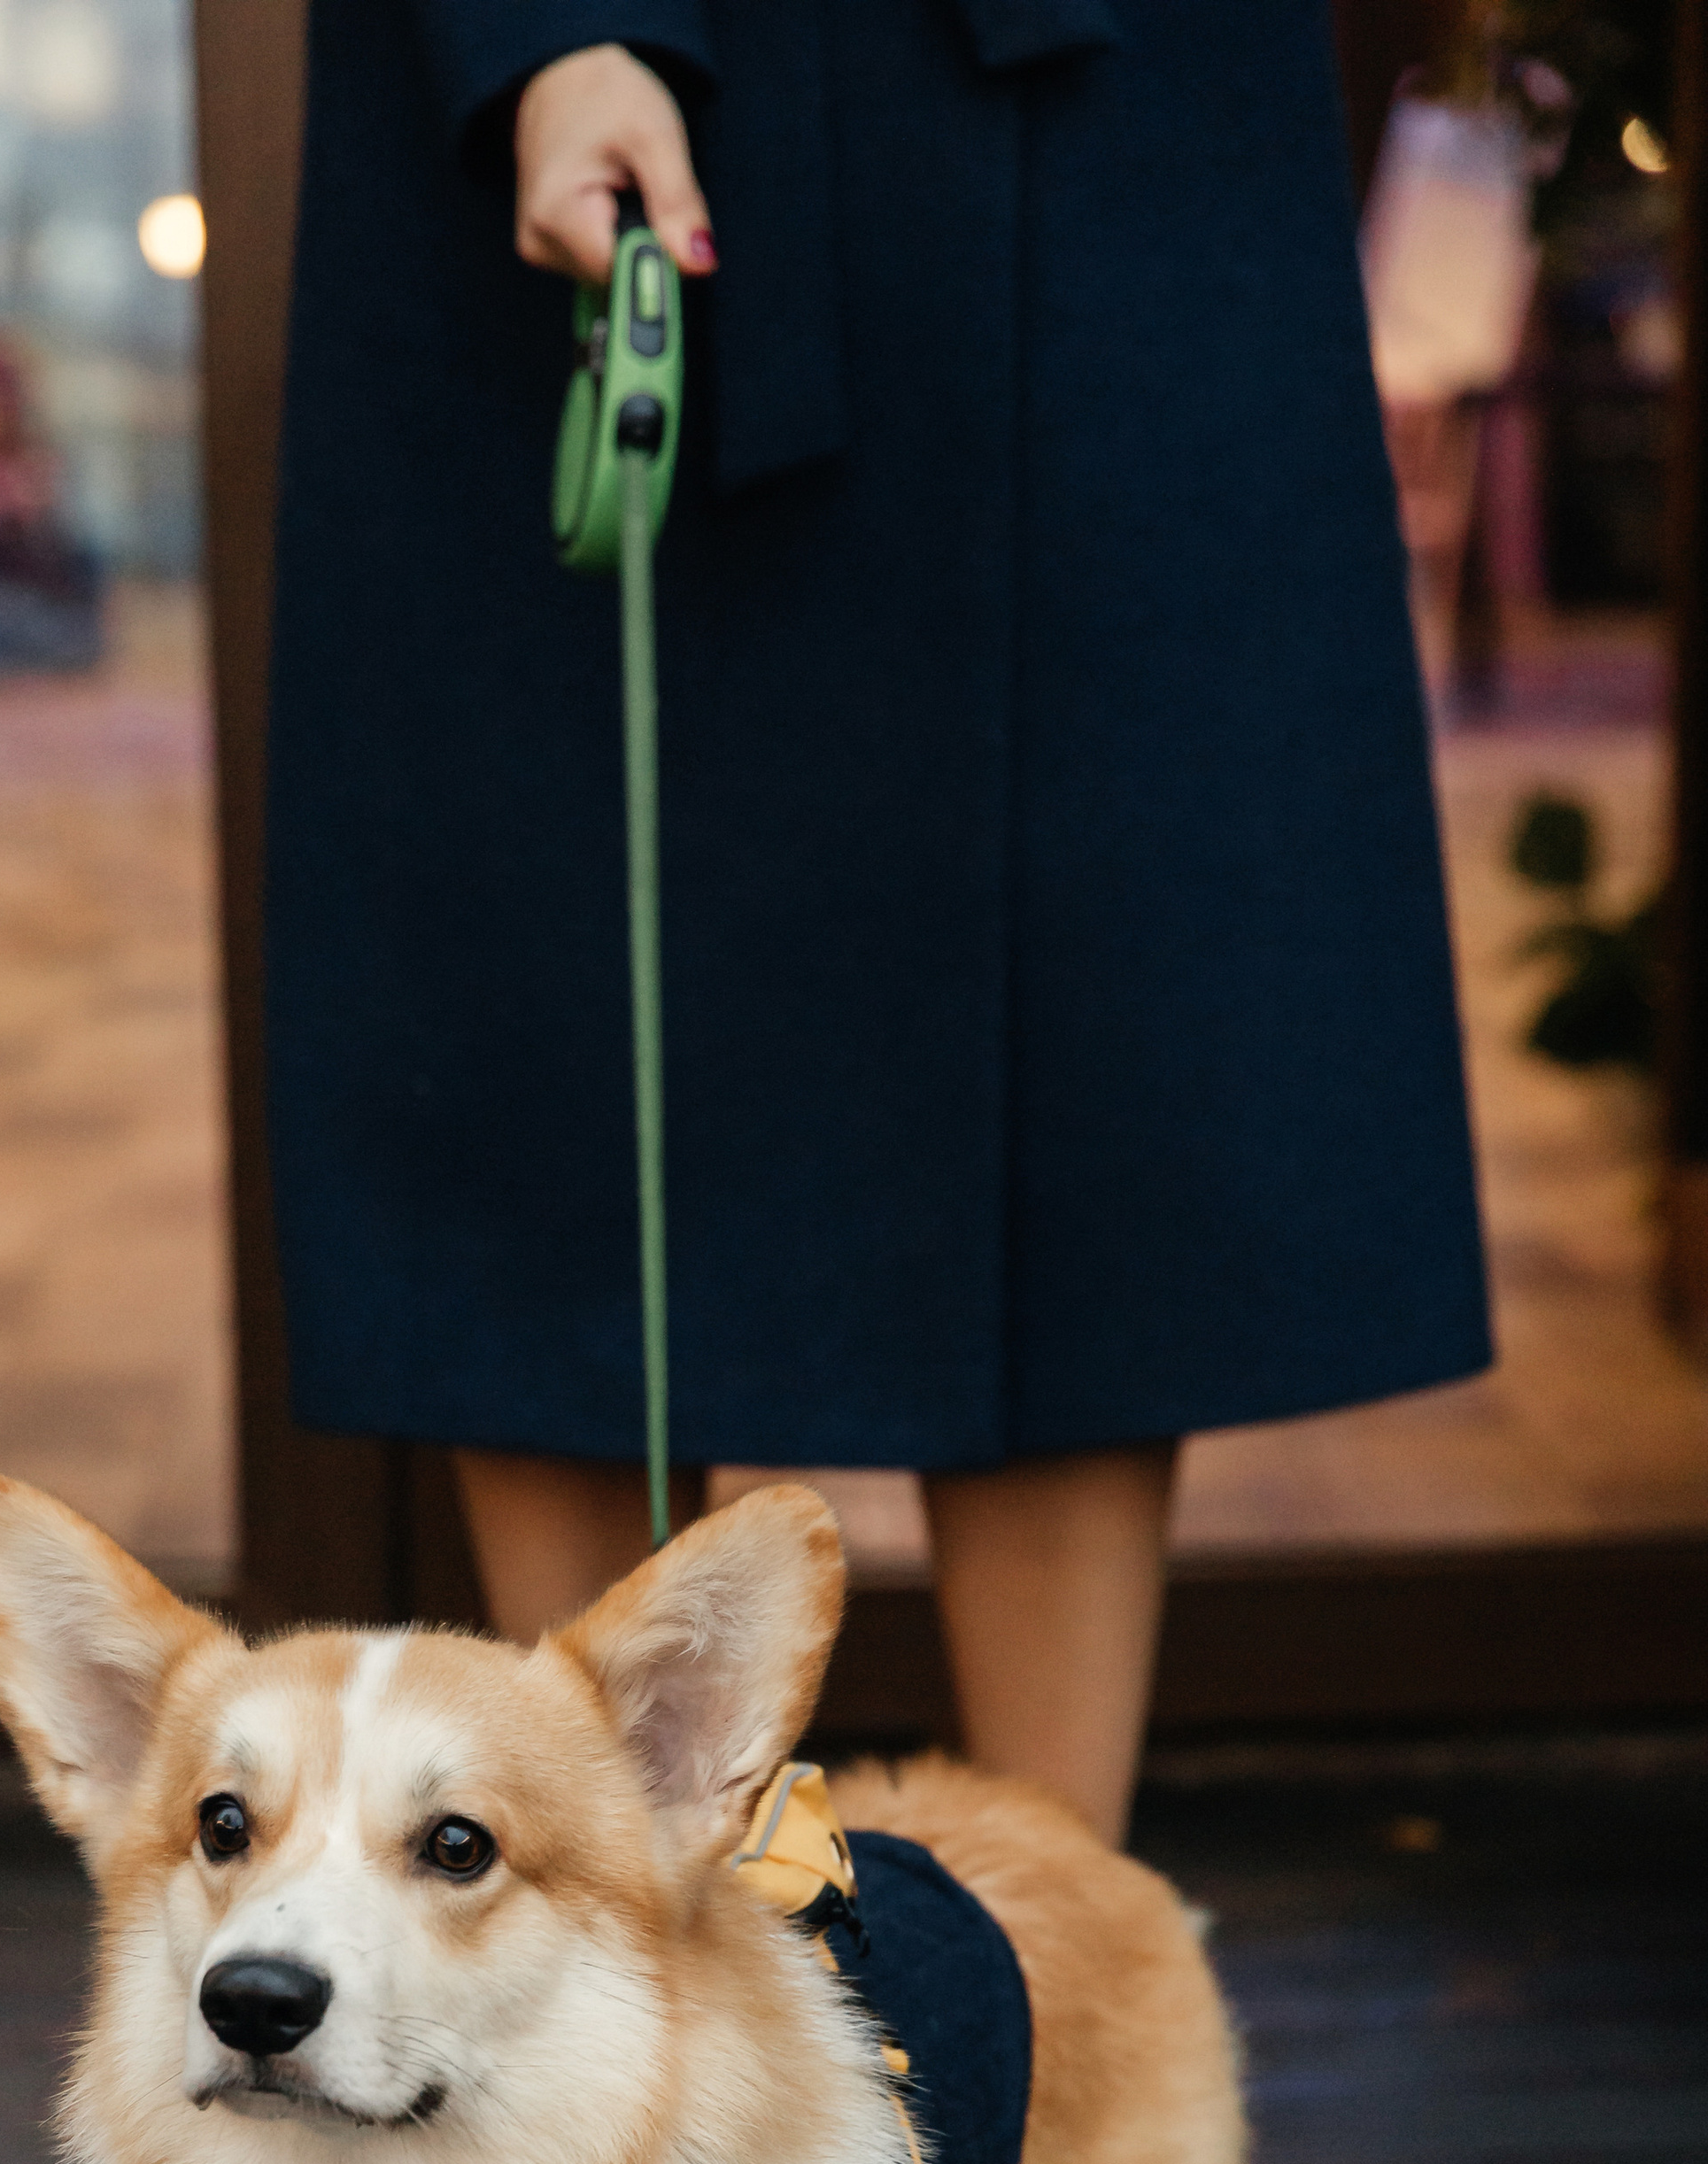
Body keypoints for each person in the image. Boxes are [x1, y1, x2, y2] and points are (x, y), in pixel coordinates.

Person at [264, 5, 1491, 1842]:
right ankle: (602, 1936)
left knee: (1083, 1044)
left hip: (1095, 129)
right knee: (557, 1046)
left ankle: (1058, 1963)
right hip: (589, 137)